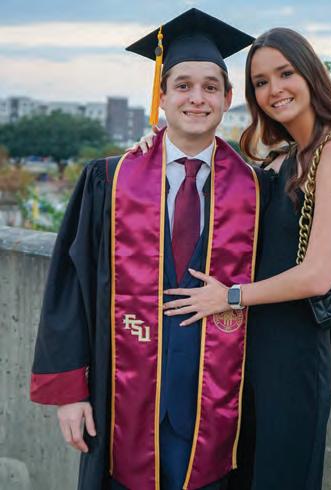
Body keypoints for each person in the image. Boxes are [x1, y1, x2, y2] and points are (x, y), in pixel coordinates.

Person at [29, 8, 266, 490]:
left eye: (210, 87)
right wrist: (70, 391)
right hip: (124, 404)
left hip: (221, 411)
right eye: (183, 85)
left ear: (227, 98)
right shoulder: (109, 179)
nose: (196, 98)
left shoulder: (258, 190)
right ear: (162, 95)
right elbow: (69, 287)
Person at [148, 28, 331, 489]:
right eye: (261, 82)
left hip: (294, 354)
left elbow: (319, 275)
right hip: (245, 357)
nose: (274, 90)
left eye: (285, 74)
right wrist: (151, 149)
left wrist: (229, 297)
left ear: (310, 75)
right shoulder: (279, 161)